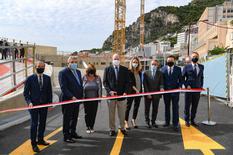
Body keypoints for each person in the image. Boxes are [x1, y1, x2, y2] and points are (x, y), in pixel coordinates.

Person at [23, 61, 52, 153]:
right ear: (35, 67)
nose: (40, 68)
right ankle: (33, 143)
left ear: (44, 68)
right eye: (39, 66)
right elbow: (26, 93)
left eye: (42, 67)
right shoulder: (30, 78)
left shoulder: (47, 78)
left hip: (44, 105)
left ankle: (40, 140)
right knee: (34, 124)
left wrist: (50, 103)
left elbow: (49, 92)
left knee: (43, 123)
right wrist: (29, 102)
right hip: (33, 106)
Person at [103, 53, 130, 136]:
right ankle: (112, 129)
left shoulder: (125, 70)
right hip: (111, 96)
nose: (116, 60)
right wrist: (110, 91)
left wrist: (125, 92)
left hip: (122, 96)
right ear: (112, 60)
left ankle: (122, 128)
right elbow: (105, 82)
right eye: (115, 59)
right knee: (111, 114)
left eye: (118, 59)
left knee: (122, 114)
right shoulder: (107, 69)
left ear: (120, 60)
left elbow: (127, 82)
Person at [59, 56, 83, 143]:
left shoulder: (78, 72)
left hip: (77, 100)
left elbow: (79, 85)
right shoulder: (63, 73)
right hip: (68, 99)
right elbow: (63, 88)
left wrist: (80, 97)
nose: (74, 63)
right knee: (67, 118)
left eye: (75, 62)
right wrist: (71, 97)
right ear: (68, 63)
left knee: (75, 117)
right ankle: (66, 136)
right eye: (72, 62)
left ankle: (73, 132)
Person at [161, 55, 182, 131]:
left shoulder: (178, 69)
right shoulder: (162, 69)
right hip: (166, 92)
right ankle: (167, 122)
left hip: (175, 91)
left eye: (171, 60)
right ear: (166, 61)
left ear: (174, 61)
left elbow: (181, 79)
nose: (170, 62)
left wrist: (180, 86)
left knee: (175, 107)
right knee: (167, 107)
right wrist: (162, 87)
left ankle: (175, 124)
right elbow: (161, 80)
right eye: (169, 60)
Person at [182, 52, 204, 127]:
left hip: (197, 90)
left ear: (198, 57)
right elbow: (182, 78)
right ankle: (187, 120)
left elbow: (201, 77)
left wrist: (201, 86)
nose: (195, 57)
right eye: (193, 56)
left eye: (196, 56)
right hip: (189, 89)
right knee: (187, 106)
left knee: (195, 105)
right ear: (191, 58)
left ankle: (192, 120)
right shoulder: (186, 67)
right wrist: (186, 85)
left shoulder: (201, 66)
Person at [143, 60, 164, 128]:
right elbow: (145, 84)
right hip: (148, 94)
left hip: (156, 94)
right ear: (150, 65)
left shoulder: (160, 73)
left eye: (155, 64)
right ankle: (147, 122)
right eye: (152, 64)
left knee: (155, 109)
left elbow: (161, 83)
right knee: (147, 109)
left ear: (157, 65)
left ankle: (153, 121)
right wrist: (147, 93)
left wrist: (161, 88)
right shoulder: (146, 73)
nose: (153, 65)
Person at [83, 64, 102, 134]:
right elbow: (81, 87)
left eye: (92, 73)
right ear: (87, 72)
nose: (91, 75)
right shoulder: (84, 77)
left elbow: (100, 88)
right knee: (87, 113)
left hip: (95, 99)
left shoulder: (98, 78)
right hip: (86, 99)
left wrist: (99, 98)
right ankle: (87, 126)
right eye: (90, 73)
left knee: (93, 113)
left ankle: (92, 126)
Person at [124, 56, 143, 129]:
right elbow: (130, 83)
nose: (135, 63)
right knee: (128, 107)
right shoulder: (129, 72)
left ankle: (133, 120)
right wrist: (136, 90)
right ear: (131, 63)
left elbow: (140, 82)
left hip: (139, 92)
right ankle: (126, 122)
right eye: (134, 62)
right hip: (131, 92)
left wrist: (140, 91)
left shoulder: (140, 72)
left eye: (136, 62)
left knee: (136, 107)